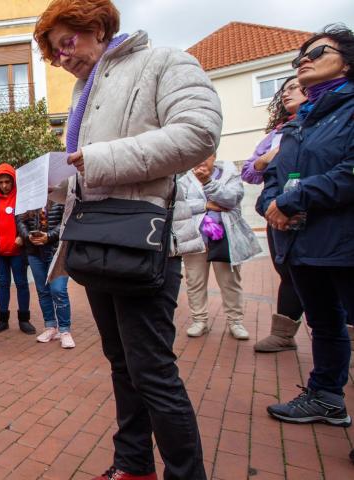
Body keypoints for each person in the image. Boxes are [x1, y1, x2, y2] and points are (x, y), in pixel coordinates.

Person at [34, 1, 222, 478]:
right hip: (98, 239)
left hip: (148, 241)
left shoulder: (164, 62)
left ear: (95, 26)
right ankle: (133, 465)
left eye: (66, 43)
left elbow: (198, 133)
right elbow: (91, 169)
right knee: (121, 363)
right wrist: (55, 183)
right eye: (54, 54)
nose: (62, 59)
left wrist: (94, 159)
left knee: (153, 371)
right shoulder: (82, 91)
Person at [258, 25, 354, 428]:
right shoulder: (301, 121)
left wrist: (292, 199)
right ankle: (327, 397)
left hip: (343, 241)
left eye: (318, 52)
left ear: (347, 62)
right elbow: (275, 175)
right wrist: (270, 204)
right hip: (303, 243)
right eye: (300, 57)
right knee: (324, 324)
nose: (305, 60)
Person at [242, 77, 309, 352]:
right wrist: (264, 159)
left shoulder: (328, 124)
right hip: (276, 216)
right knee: (288, 273)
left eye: (293, 87)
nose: (286, 93)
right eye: (284, 89)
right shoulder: (276, 135)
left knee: (331, 276)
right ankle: (283, 334)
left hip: (315, 212)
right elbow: (249, 173)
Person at [180, 154, 262, 340]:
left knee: (230, 282)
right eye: (198, 152)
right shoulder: (185, 179)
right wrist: (206, 204)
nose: (201, 158)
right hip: (195, 240)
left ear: (214, 155)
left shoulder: (229, 175)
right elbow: (179, 206)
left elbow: (231, 200)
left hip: (224, 239)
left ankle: (235, 322)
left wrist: (208, 182)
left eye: (206, 153)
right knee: (194, 282)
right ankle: (199, 320)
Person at [17, 201, 74, 348]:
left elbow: (67, 220)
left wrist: (49, 236)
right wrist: (28, 236)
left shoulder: (61, 194)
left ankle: (65, 331)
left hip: (56, 250)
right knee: (43, 291)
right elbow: (20, 221)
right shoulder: (30, 196)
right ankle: (50, 327)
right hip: (34, 252)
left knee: (58, 290)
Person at [0, 164, 33, 334]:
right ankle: (2, 320)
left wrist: (22, 237)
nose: (4, 185)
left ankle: (24, 320)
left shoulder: (22, 197)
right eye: (1, 182)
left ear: (13, 181)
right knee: (3, 285)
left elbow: (28, 220)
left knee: (22, 284)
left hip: (18, 251)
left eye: (8, 181)